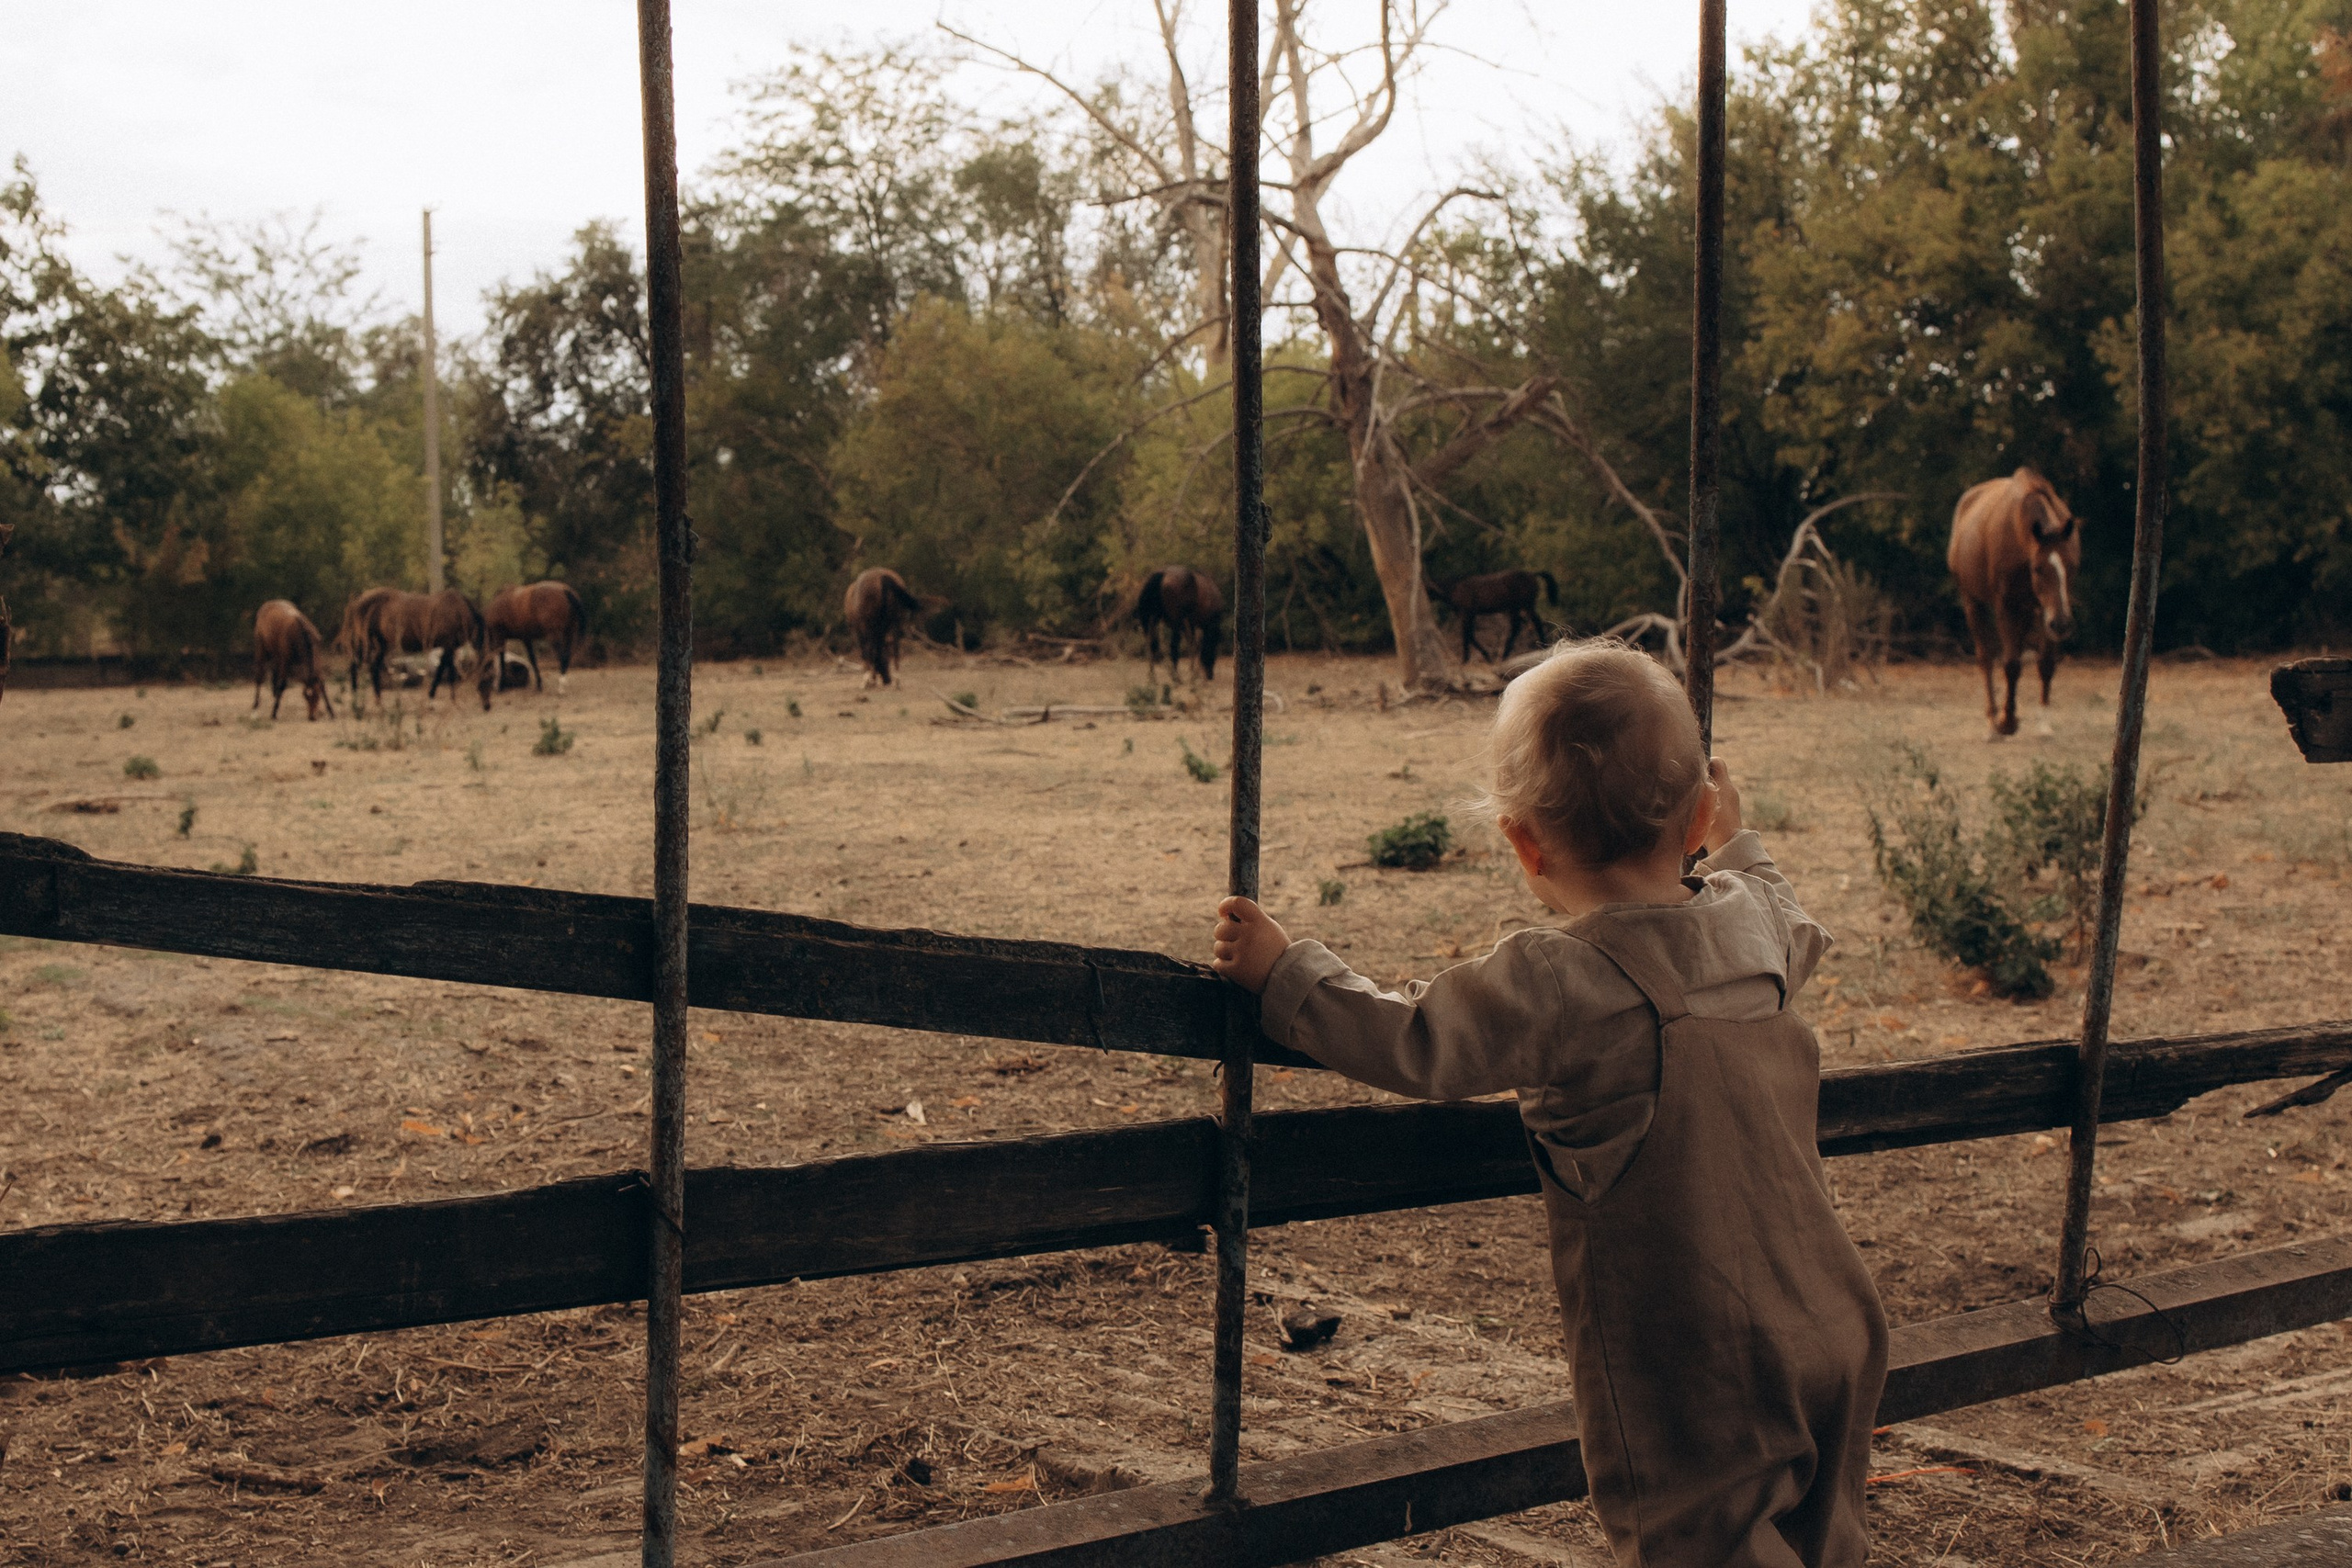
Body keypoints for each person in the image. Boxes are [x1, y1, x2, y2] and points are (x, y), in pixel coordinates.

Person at [1210, 638, 1886, 1568]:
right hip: (1833, 1323)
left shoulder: (1560, 981)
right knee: (1827, 1546)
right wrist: (1732, 839)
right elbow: (1786, 907)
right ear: (1693, 816)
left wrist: (1286, 973)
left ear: (1521, 842)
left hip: (1697, 1362)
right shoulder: (1754, 922)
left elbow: (1415, 1043)